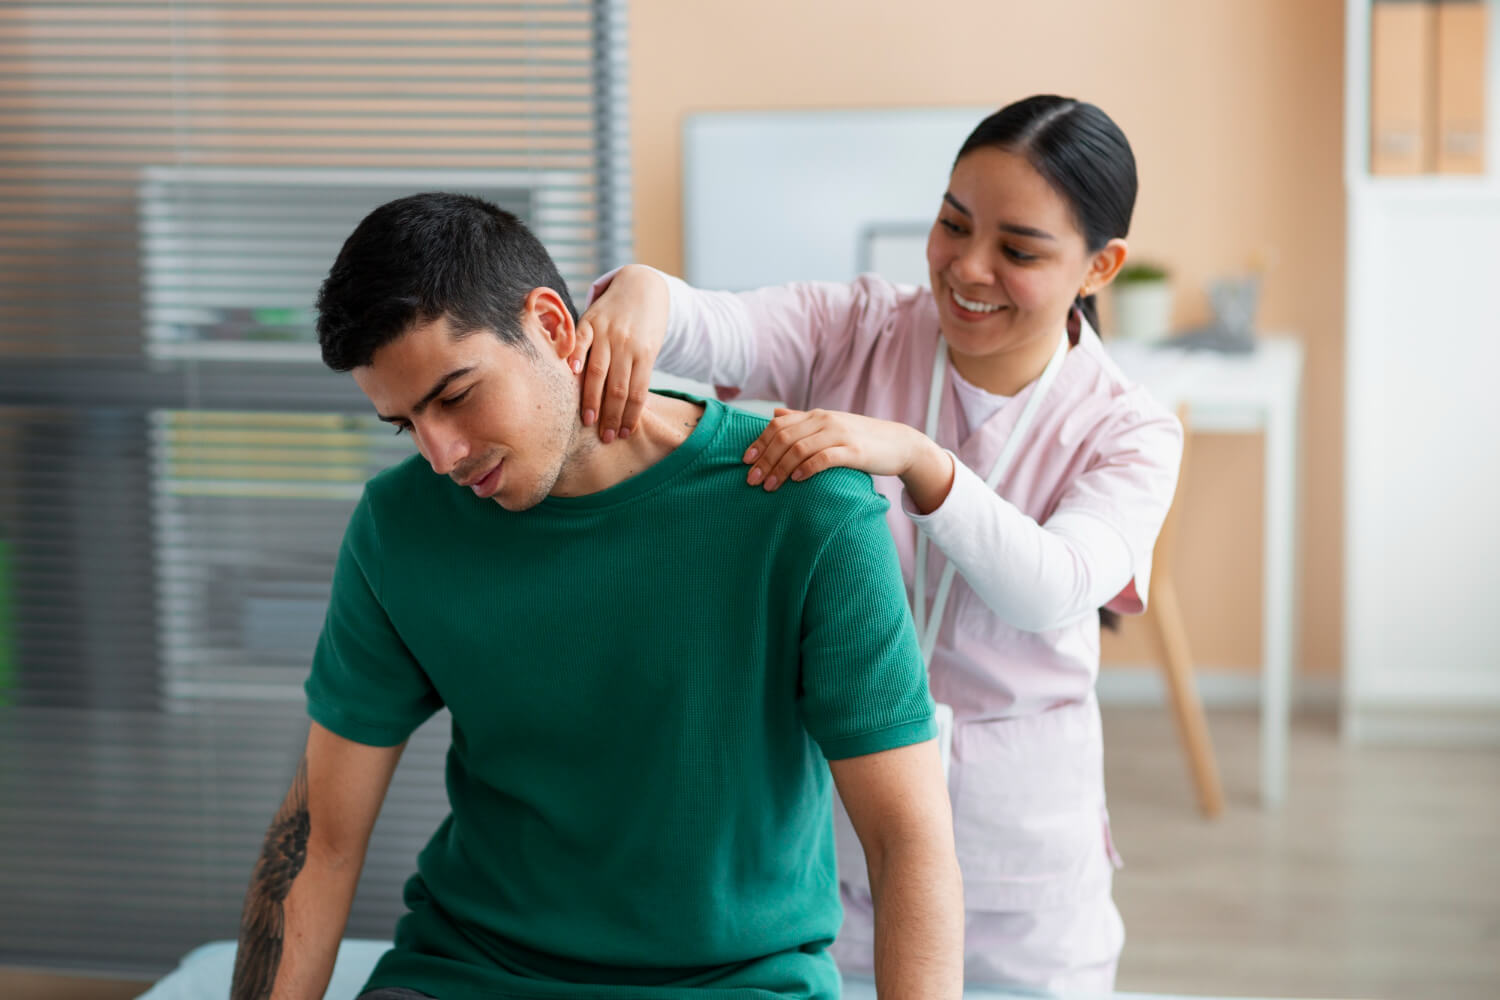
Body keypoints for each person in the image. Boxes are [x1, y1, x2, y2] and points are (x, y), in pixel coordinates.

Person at [228, 193, 964, 1000]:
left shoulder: (804, 509)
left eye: (455, 395)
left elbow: (907, 842)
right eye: (406, 424)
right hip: (468, 973)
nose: (441, 454)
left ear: (551, 324)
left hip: (731, 983)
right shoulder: (399, 528)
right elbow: (320, 838)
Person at [575, 95, 1183, 996]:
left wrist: (917, 460)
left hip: (1020, 872)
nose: (967, 268)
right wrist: (644, 292)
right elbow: (719, 325)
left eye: (1018, 250)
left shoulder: (1129, 430)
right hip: (836, 842)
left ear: (1101, 265)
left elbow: (1053, 589)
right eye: (951, 224)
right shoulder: (859, 326)